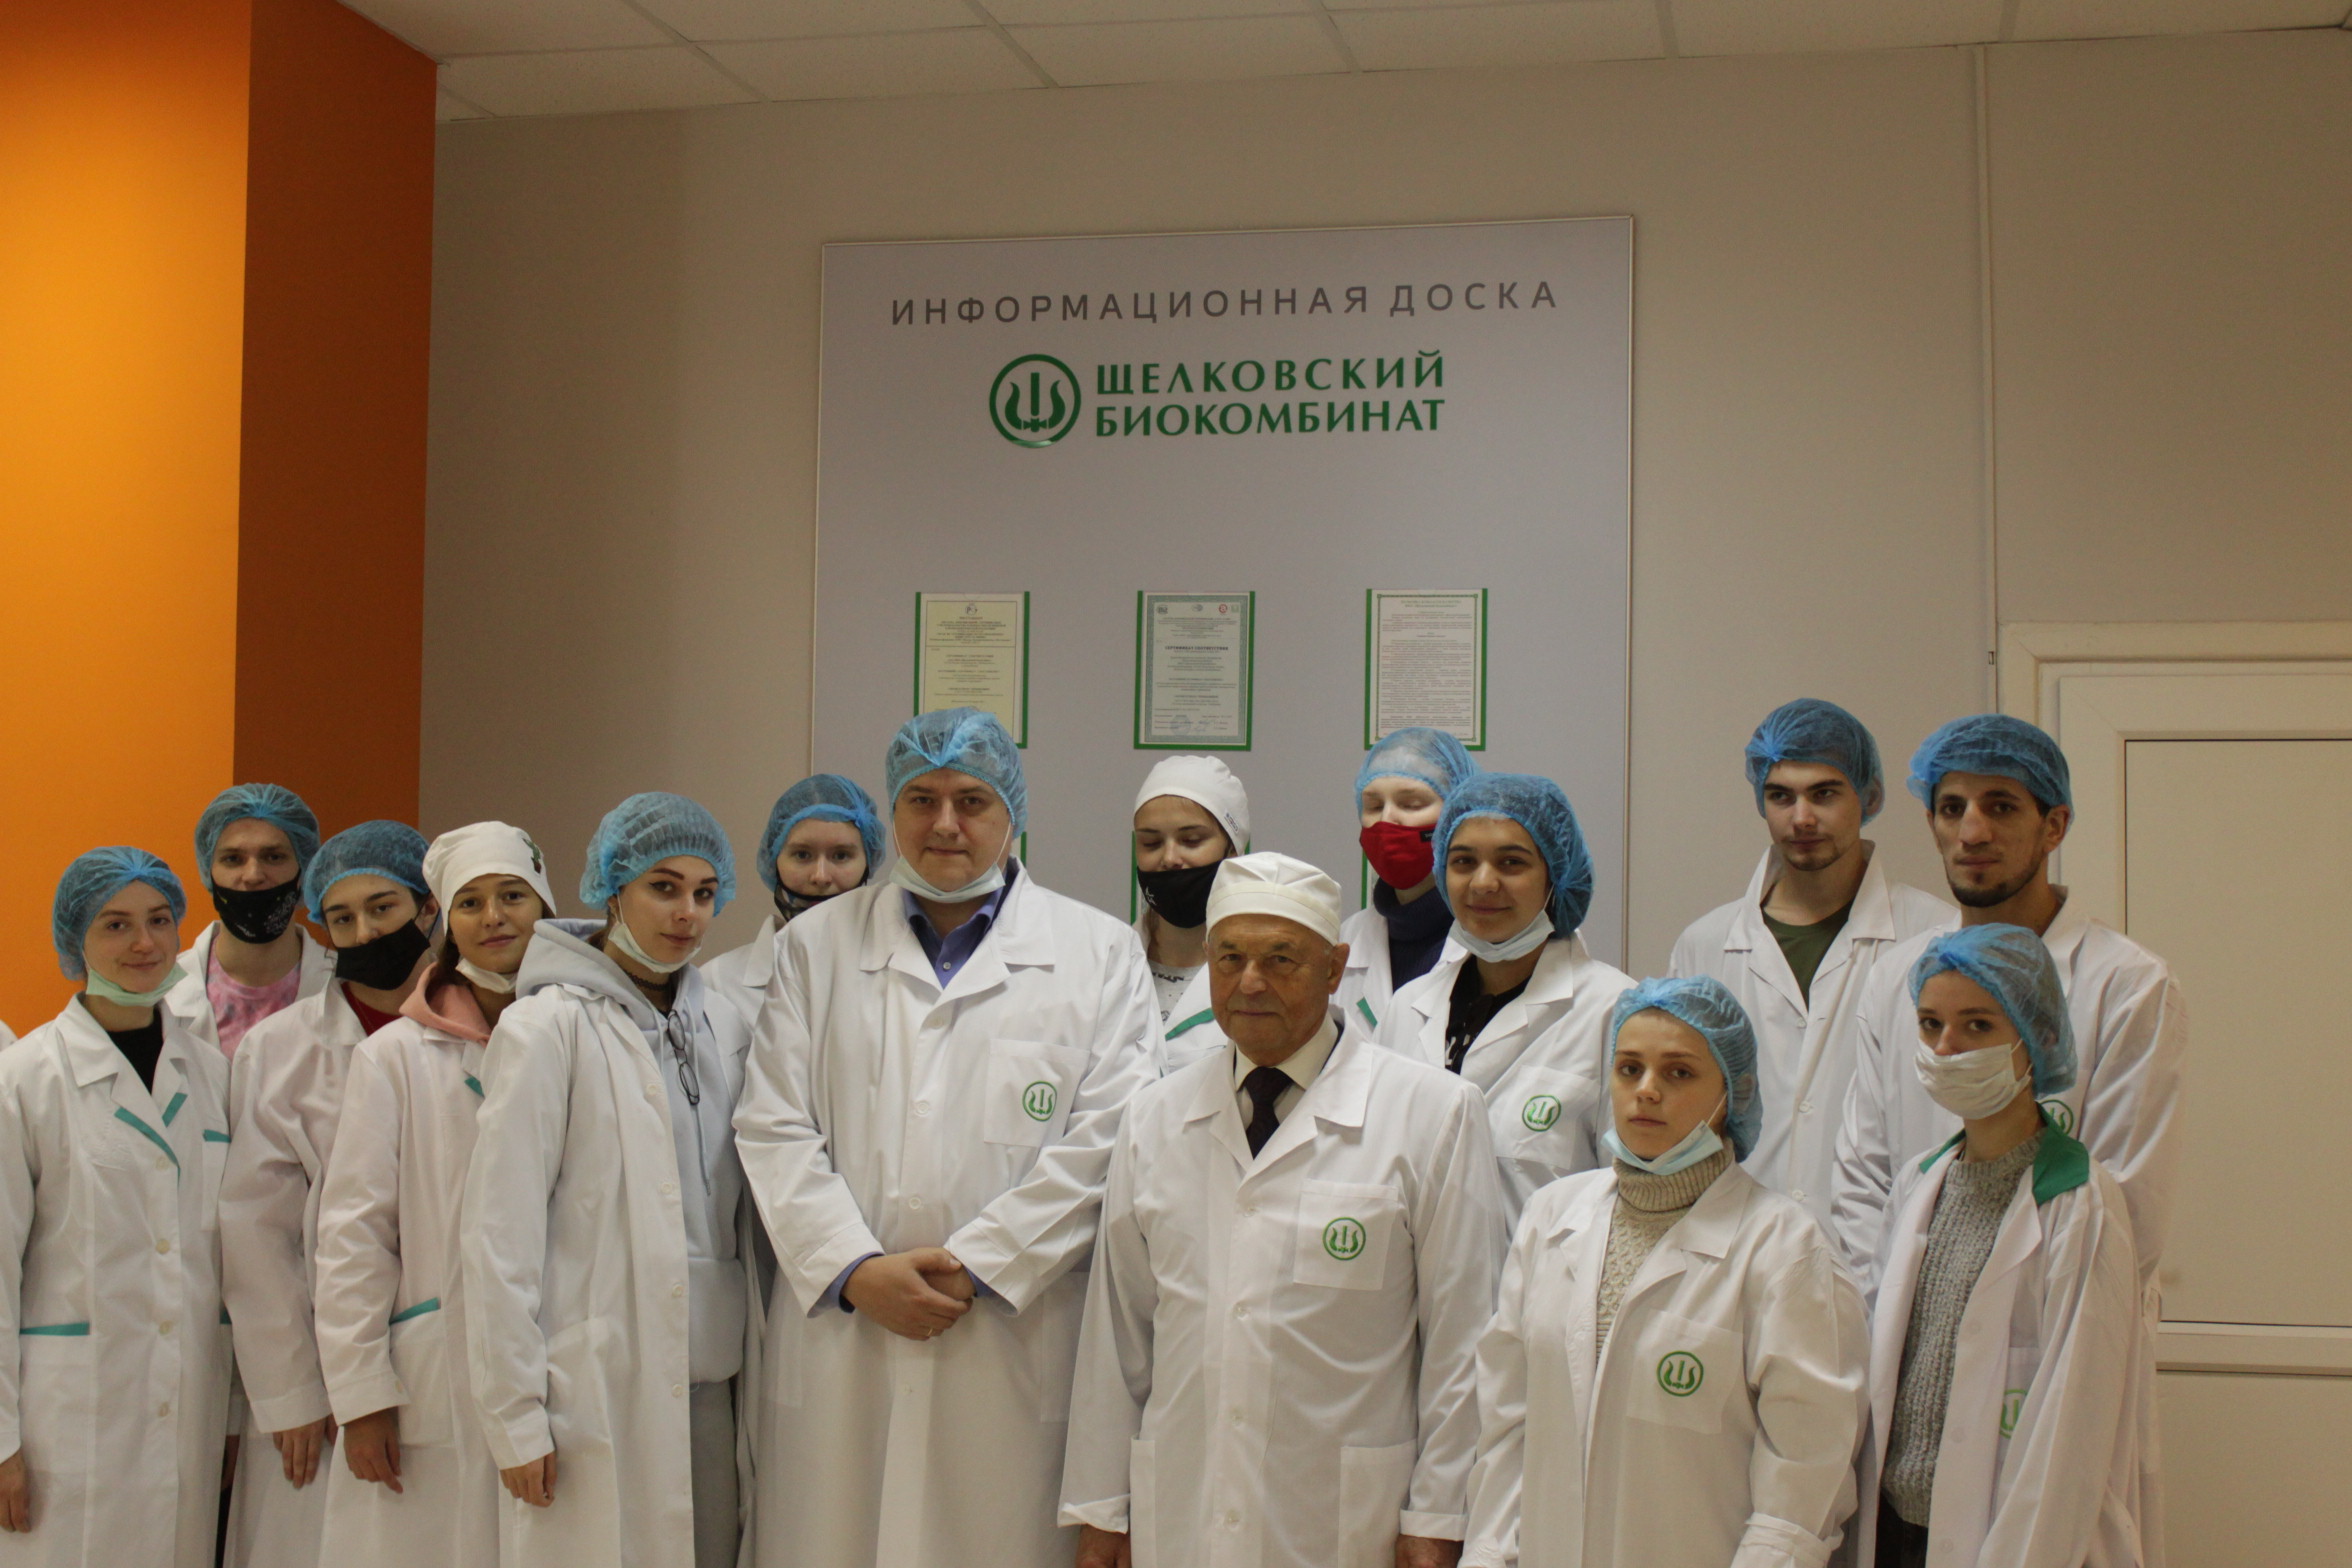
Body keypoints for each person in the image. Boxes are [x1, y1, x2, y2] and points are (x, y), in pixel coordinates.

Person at [734, 708, 1160, 1568]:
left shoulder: (1100, 953)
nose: (945, 824)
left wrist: (979, 1263)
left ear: (1013, 813)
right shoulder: (814, 949)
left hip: (1011, 1343)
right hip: (845, 1341)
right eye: (921, 800)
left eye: (971, 800)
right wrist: (854, 1270)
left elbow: (1113, 1137)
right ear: (892, 811)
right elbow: (773, 1125)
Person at [1061, 853, 1505, 1568]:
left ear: (1334, 969)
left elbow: (1463, 1339)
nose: (1250, 982)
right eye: (1229, 957)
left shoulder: (1433, 1113)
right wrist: (1100, 1509)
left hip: (1342, 1519)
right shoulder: (1155, 1116)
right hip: (1184, 1506)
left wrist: (1438, 1518)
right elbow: (1118, 1335)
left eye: (1280, 959)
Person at [1830, 715, 2183, 1562]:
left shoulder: (2126, 985)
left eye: (2000, 806)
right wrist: (1898, 1331)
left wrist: (1999, 1322)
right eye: (1951, 807)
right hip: (1902, 1384)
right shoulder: (1898, 977)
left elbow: (2125, 1217)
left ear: (2053, 824)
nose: (1972, 831)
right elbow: (1862, 1182)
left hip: (2041, 1364)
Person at [1464, 977, 1867, 1568]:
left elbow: (1804, 1486)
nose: (1646, 1091)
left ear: (1734, 1091)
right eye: (1629, 1069)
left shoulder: (1785, 1251)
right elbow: (1507, 1429)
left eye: (1678, 1073)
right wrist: (1487, 1555)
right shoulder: (1551, 1218)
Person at [460, 793, 760, 1568]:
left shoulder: (723, 1024)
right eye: (663, 887)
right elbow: (499, 1235)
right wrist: (516, 1417)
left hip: (710, 1382)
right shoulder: (547, 1026)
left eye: (704, 892)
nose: (688, 913)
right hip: (592, 1388)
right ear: (612, 889)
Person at [1852, 926, 2142, 1568]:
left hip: (2005, 1539)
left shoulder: (2079, 1202)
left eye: (1977, 1025)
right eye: (1930, 1024)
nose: (1946, 1048)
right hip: (1896, 1530)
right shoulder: (1920, 1184)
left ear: (2038, 1039)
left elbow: (2072, 1435)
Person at [311, 822, 557, 1568]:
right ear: (443, 921)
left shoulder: (586, 1034)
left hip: (560, 1358)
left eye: (513, 896)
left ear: (546, 907)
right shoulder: (394, 1057)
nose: (495, 918)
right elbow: (354, 1233)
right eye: (470, 903)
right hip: (434, 1374)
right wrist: (361, 1395)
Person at [0, 849, 236, 1566]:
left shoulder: (211, 1071)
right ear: (76, 941)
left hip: (190, 1405)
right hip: (66, 1419)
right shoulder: (26, 1078)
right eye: (116, 924)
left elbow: (228, 1256)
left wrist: (234, 1414)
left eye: (160, 920)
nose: (144, 943)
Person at [221, 820, 439, 1568]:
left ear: (428, 907)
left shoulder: (482, 1027)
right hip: (317, 1369)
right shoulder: (280, 1049)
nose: (364, 932)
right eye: (341, 918)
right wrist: (291, 1392)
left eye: (382, 908)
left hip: (446, 1355)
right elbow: (257, 1231)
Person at [1669, 700, 1951, 1224]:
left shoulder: (1935, 936)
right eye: (1781, 796)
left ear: (1869, 796)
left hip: (1881, 1244)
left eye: (1824, 793)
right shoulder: (1704, 946)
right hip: (1735, 1246)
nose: (1801, 818)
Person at [1377, 773, 1633, 1222]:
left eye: (1511, 863)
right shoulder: (1408, 1007)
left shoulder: (1614, 1011)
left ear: (1556, 875)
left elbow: (1630, 1194)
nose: (1482, 883)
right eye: (1463, 861)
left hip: (1545, 1269)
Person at [165, 783, 336, 1059]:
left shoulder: (345, 988)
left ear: (304, 869)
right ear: (209, 870)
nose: (253, 875)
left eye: (273, 857)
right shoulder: (161, 993)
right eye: (233, 859)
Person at [703, 774, 885, 1025]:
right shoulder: (717, 984)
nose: (820, 877)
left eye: (841, 855)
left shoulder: (899, 975)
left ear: (868, 862)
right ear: (773, 861)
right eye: (802, 855)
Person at [1340, 727, 1479, 1036]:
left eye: (1411, 804)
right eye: (1374, 806)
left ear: (1458, 814)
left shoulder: (1499, 935)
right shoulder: (1347, 939)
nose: (1387, 820)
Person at [1128, 755, 1250, 1071]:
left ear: (1232, 850)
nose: (1170, 858)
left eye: (1191, 840)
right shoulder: (1107, 966)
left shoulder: (1261, 977)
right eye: (1151, 843)